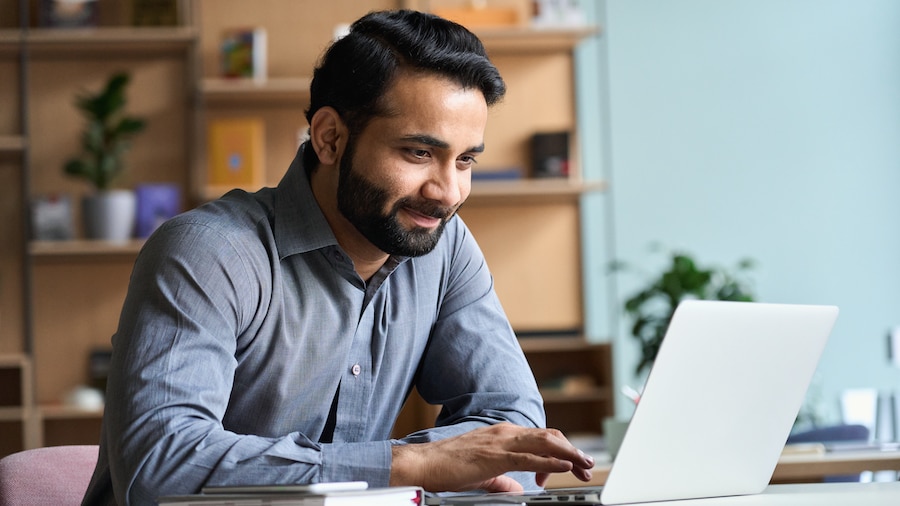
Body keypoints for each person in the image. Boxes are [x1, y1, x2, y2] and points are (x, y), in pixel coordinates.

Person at [82, 9, 594, 506]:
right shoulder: (209, 252)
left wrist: (431, 467)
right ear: (330, 138)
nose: (447, 191)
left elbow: (517, 430)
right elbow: (159, 467)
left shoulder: (446, 246)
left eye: (464, 160)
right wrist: (409, 466)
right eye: (418, 153)